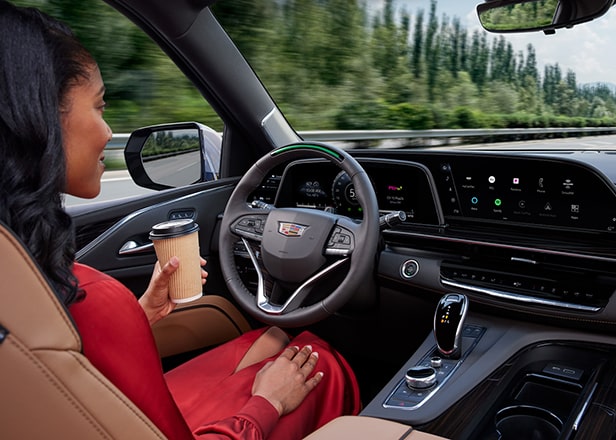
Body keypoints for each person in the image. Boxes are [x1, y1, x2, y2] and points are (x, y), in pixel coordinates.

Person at [0, 2, 360, 439]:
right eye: (98, 107)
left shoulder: (20, 275)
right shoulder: (93, 298)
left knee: (274, 339)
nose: (109, 131)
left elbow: (63, 378)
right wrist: (267, 404)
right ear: (38, 121)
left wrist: (138, 317)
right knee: (322, 362)